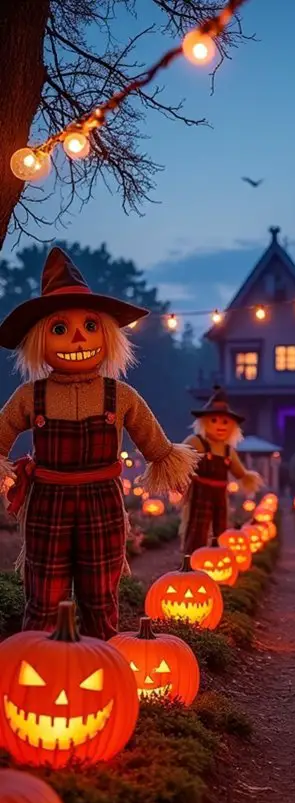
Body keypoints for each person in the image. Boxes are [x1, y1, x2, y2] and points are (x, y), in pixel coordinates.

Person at [0, 246, 199, 639]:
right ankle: (39, 654)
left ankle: (102, 656)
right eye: (60, 329)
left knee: (100, 593)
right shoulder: (30, 396)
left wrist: (171, 468)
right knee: (44, 593)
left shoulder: (120, 396)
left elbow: (155, 445)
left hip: (102, 504)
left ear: (107, 335)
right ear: (40, 340)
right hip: (47, 504)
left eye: (90, 326)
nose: (78, 338)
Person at [181, 386, 262, 553]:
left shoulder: (227, 450)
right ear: (204, 422)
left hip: (220, 492)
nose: (220, 426)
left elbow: (238, 471)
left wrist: (247, 478)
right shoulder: (196, 442)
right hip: (200, 491)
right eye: (214, 420)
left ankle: (219, 552)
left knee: (221, 525)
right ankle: (192, 556)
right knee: (198, 524)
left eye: (225, 422)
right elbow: (181, 458)